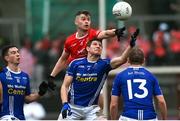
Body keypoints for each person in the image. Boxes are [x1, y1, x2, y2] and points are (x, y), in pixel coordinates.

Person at [58, 28, 139, 120]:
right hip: (72, 108)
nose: (98, 46)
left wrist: (131, 46)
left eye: (100, 45)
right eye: (95, 44)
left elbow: (122, 59)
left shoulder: (104, 64)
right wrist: (65, 104)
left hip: (91, 110)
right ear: (88, 48)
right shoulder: (75, 64)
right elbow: (65, 86)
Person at [49, 10, 126, 89]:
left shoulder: (93, 34)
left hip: (93, 76)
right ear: (76, 22)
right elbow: (62, 59)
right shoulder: (69, 41)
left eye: (88, 19)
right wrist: (52, 76)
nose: (86, 21)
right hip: (77, 77)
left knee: (100, 99)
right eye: (83, 19)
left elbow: (105, 33)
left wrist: (116, 32)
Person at [110, 47, 167, 120]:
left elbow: (114, 105)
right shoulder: (151, 76)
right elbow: (161, 101)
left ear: (128, 60)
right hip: (149, 117)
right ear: (143, 60)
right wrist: (164, 119)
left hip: (128, 117)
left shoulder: (120, 76)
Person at [0, 45, 48, 120]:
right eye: (13, 52)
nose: (17, 54)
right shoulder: (1, 74)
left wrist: (40, 93)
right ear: (7, 58)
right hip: (6, 117)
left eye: (17, 52)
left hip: (21, 118)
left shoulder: (25, 76)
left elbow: (27, 98)